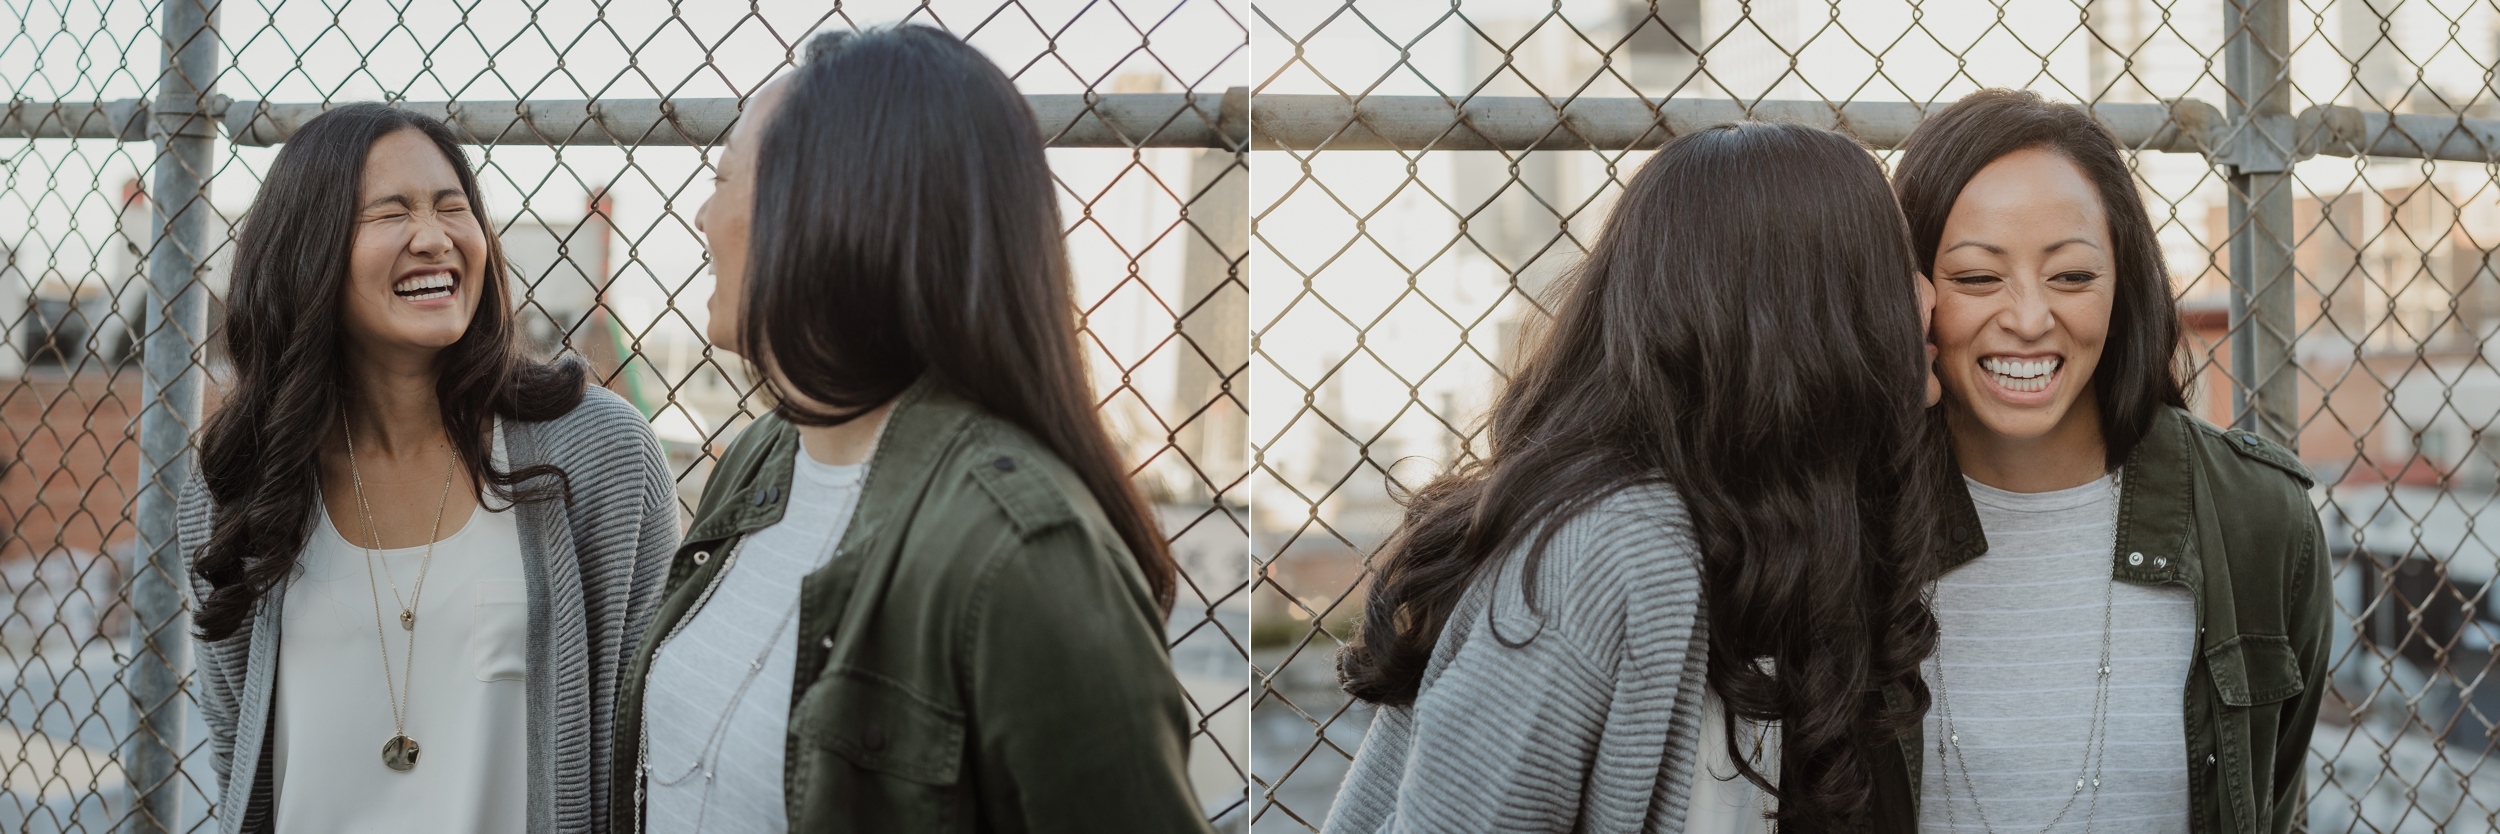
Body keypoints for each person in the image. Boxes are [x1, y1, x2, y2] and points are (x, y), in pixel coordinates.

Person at [607, 24, 1211, 833]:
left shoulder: (1024, 553)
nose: (700, 215)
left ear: (824, 210)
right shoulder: (761, 454)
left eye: (722, 178)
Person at [1321, 121, 1946, 833]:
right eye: (1895, 263)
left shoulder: (1777, 541)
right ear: (1806, 311)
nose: (1927, 297)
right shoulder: (1601, 555)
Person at [181, 103, 679, 834]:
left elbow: (648, 748)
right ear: (307, 251)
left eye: (454, 208)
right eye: (391, 214)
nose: (435, 237)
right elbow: (238, 763)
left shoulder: (596, 454)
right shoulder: (239, 479)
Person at [1871, 88, 2329, 833]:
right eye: (1978, 277)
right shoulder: (1843, 512)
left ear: (2124, 285)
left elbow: (2274, 798)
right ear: (1912, 291)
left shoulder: (2258, 518)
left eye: (2072, 277)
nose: (2027, 319)